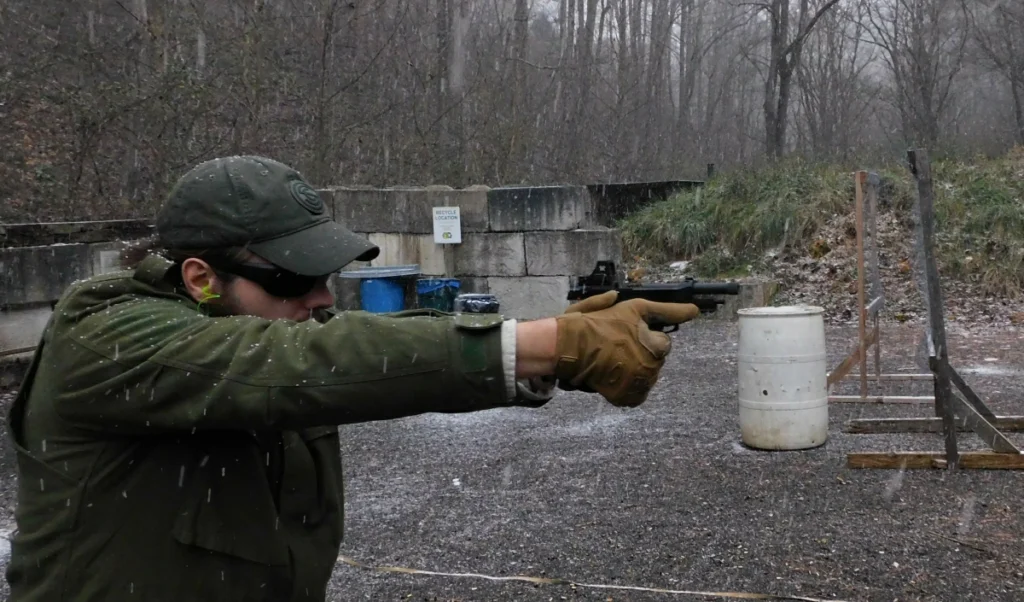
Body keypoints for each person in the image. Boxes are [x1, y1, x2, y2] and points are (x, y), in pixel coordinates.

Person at [4, 156, 699, 601]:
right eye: (297, 280)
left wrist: (541, 356)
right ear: (201, 280)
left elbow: (360, 361)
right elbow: (295, 368)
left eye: (327, 277)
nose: (324, 298)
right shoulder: (101, 335)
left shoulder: (265, 332)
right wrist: (545, 342)